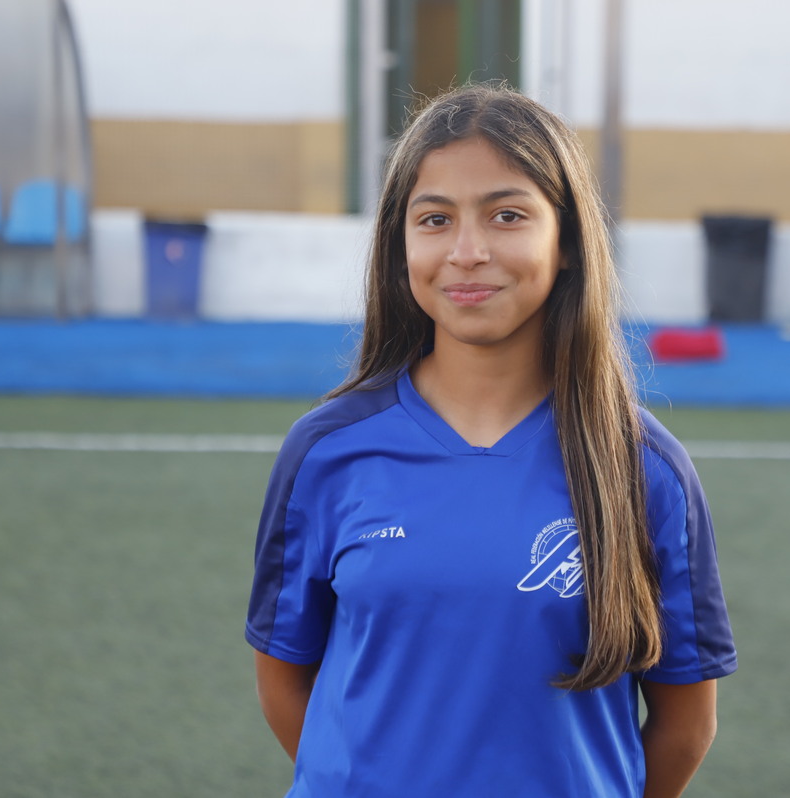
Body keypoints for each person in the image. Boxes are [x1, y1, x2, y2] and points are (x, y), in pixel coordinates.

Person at [246, 83, 736, 798]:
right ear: (400, 246)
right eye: (435, 219)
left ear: (567, 243)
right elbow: (285, 683)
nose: (467, 252)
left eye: (507, 215)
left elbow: (685, 726)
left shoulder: (643, 468)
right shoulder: (326, 452)